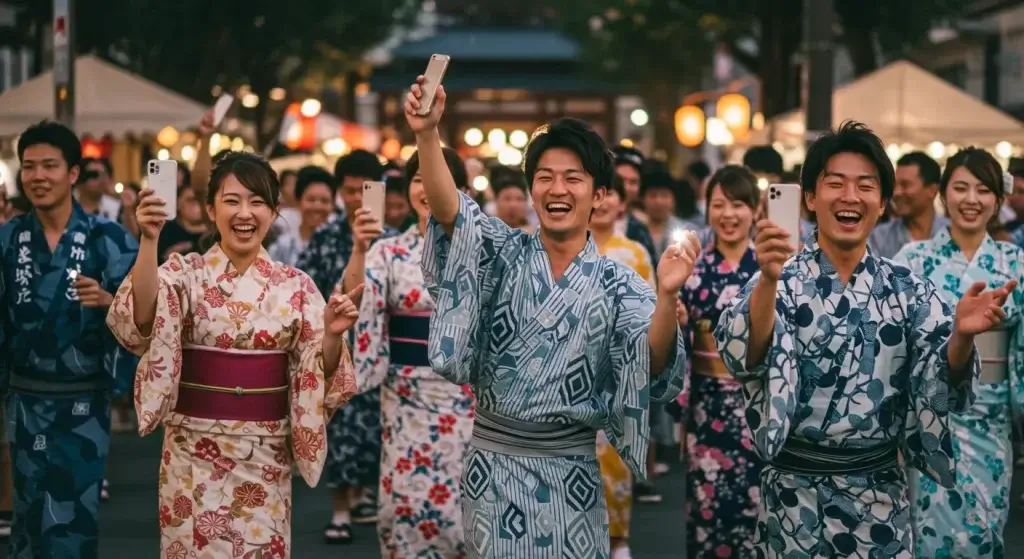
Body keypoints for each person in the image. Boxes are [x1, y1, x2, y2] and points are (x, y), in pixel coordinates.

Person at [405, 76, 688, 557]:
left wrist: (665, 298)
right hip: (493, 469)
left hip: (571, 472)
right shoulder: (501, 252)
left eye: (573, 177)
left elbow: (652, 362)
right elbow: (452, 211)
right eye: (545, 177)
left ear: (599, 195)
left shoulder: (620, 284)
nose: (558, 188)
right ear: (531, 189)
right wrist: (427, 133)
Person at [715, 121, 1009, 557]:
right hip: (794, 498)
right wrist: (768, 283)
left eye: (865, 186)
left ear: (884, 202)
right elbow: (743, 356)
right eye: (835, 184)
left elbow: (941, 378)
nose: (850, 197)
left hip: (878, 496)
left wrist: (961, 338)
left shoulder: (908, 288)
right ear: (811, 198)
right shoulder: (780, 278)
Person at [105, 151, 359, 557]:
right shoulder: (184, 272)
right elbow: (143, 320)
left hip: (264, 451)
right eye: (232, 200)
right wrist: (149, 240)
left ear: (275, 211)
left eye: (258, 202)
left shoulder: (296, 286)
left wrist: (330, 335)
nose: (245, 213)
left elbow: (321, 372)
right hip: (192, 447)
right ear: (211, 209)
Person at [0, 120, 139, 558]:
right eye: (29, 167)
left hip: (83, 404)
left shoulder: (108, 236)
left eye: (49, 166)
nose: (38, 176)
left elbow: (144, 317)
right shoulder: (7, 239)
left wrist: (109, 301)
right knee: (27, 518)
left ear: (73, 173)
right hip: (24, 399)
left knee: (74, 521)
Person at [339, 146, 475, 558]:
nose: (427, 187)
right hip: (406, 397)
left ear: (463, 191)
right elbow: (355, 307)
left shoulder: (483, 250)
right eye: (418, 178)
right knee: (407, 508)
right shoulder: (388, 251)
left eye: (438, 177)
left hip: (470, 398)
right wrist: (360, 249)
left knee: (469, 510)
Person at [894, 148, 1024, 558]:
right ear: (943, 194)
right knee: (927, 534)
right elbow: (895, 344)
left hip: (991, 418)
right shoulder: (913, 260)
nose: (972, 199)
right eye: (961, 187)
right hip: (930, 420)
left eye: (983, 190)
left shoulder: (1015, 262)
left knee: (985, 531)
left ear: (998, 200)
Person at [294, 150, 396, 537]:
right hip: (334, 343)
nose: (355, 198)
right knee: (337, 425)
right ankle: (340, 509)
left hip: (377, 349)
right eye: (349, 190)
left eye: (363, 190)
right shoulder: (325, 236)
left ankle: (361, 495)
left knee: (372, 428)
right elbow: (305, 284)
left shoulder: (390, 240)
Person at [679, 165, 764, 558]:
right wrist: (677, 319)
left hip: (760, 405)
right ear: (707, 208)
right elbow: (676, 348)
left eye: (738, 204)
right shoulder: (693, 270)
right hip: (708, 404)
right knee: (709, 508)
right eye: (719, 204)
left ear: (756, 209)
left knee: (761, 511)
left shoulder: (771, 269)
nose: (728, 214)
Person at [588, 174, 655, 559]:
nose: (605, 201)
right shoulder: (565, 248)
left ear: (620, 202)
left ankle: (619, 537)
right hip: (572, 373)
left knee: (616, 458)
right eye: (601, 192)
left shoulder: (635, 253)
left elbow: (650, 311)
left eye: (612, 193)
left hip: (620, 371)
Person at [868, 152, 947, 259]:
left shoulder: (955, 235)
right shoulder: (879, 238)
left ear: (932, 190)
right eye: (895, 185)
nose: (896, 193)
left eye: (905, 185)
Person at [269, 166, 337, 266]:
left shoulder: (341, 245)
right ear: (298, 201)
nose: (317, 206)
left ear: (333, 205)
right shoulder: (283, 246)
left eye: (324, 201)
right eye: (311, 199)